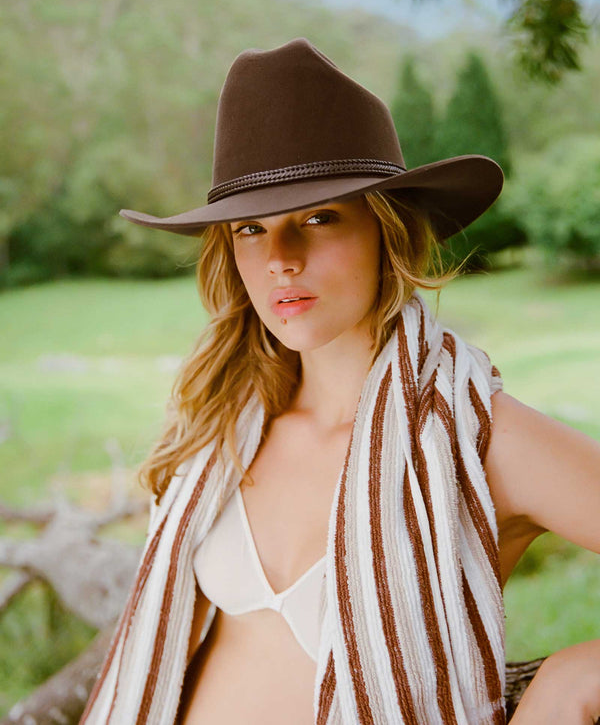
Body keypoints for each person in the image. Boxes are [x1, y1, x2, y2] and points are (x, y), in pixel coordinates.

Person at [81, 38, 600, 724]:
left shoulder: (476, 437)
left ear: (387, 230)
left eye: (319, 217)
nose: (281, 259)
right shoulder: (222, 432)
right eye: (251, 229)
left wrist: (573, 683)